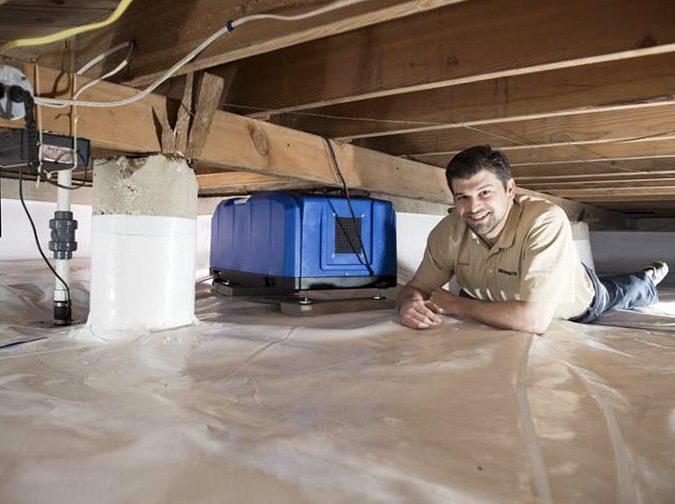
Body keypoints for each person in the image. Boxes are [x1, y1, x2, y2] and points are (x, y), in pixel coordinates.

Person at [397, 145, 669, 335]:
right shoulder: (447, 232)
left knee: (620, 292)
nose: (474, 206)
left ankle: (645, 278)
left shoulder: (543, 220)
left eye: (484, 193)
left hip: (577, 299)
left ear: (510, 189)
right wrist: (409, 305)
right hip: (496, 299)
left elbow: (534, 320)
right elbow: (415, 289)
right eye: (462, 197)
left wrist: (458, 305)